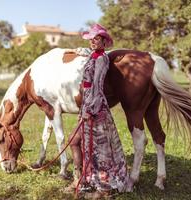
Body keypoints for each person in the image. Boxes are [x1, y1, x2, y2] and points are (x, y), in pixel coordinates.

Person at [65, 24, 129, 198]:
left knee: (100, 150)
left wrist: (90, 109)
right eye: (91, 39)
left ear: (103, 41)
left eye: (97, 39)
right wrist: (76, 50)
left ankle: (104, 189)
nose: (93, 42)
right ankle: (81, 180)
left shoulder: (102, 59)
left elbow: (97, 86)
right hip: (86, 106)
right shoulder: (93, 55)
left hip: (95, 108)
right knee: (75, 142)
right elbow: (86, 53)